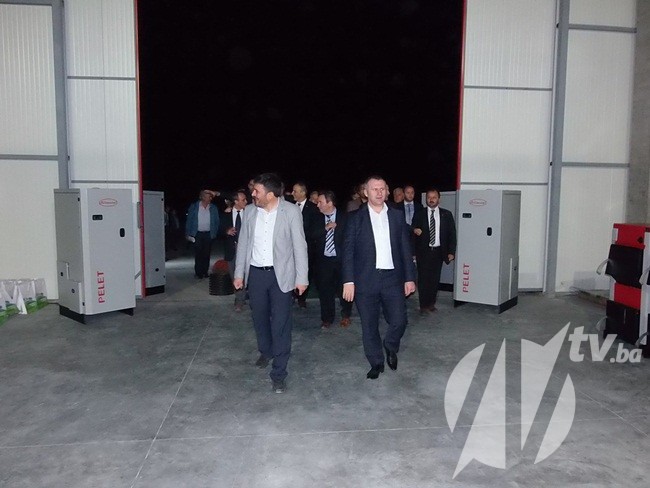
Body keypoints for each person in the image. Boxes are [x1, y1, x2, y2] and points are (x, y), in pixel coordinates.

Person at [233, 173, 309, 393]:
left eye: (256, 191)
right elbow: (243, 245)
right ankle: (266, 351)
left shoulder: (291, 212)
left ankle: (279, 373)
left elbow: (299, 246)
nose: (252, 194)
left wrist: (302, 278)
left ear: (270, 194)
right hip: (256, 275)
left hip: (281, 276)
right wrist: (239, 274)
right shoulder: (249, 212)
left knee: (281, 324)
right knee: (259, 319)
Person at [342, 175, 417, 380]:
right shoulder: (355, 218)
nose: (379, 192)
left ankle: (390, 345)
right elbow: (348, 252)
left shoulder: (396, 216)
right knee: (369, 325)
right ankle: (376, 362)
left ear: (387, 191)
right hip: (365, 280)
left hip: (393, 279)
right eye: (374, 189)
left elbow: (405, 248)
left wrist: (409, 278)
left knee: (399, 320)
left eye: (382, 188)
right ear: (365, 192)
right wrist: (348, 281)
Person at [310, 190, 353, 329]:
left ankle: (346, 315)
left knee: (343, 289)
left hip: (341, 261)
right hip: (323, 261)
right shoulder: (316, 217)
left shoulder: (344, 217)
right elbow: (311, 235)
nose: (317, 205)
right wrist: (326, 228)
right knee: (325, 290)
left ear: (329, 203)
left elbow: (350, 239)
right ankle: (327, 318)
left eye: (320, 202)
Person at [412, 188, 456, 314]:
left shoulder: (446, 215)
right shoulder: (419, 213)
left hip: (438, 252)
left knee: (435, 279)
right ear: (426, 199)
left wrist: (451, 252)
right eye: (429, 197)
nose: (431, 200)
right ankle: (423, 305)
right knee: (423, 279)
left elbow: (452, 234)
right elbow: (412, 231)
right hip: (423, 252)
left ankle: (431, 304)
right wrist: (414, 230)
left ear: (439, 199)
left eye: (434, 197)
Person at [291, 181, 319, 308]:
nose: (292, 193)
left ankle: (302, 297)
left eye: (295, 191)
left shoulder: (313, 208)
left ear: (303, 193)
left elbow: (314, 229)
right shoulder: (289, 207)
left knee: (305, 271)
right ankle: (291, 295)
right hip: (290, 247)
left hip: (307, 247)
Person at [220, 190, 249, 311]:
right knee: (235, 275)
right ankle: (239, 299)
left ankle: (244, 297)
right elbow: (218, 230)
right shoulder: (226, 214)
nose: (246, 202)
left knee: (247, 275)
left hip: (247, 250)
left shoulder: (250, 213)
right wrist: (226, 231)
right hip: (232, 250)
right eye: (243, 200)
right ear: (236, 201)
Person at [185, 190, 220, 279]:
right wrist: (188, 233)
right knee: (198, 253)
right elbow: (189, 220)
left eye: (211, 196)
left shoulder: (213, 208)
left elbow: (217, 221)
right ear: (202, 197)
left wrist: (215, 232)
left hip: (208, 233)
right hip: (197, 233)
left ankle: (205, 271)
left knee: (207, 253)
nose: (210, 198)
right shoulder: (194, 206)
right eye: (208, 196)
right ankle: (198, 272)